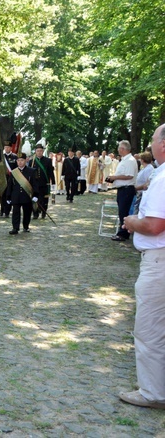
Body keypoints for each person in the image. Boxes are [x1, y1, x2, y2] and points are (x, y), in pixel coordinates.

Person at [118, 124, 165, 410]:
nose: (149, 144)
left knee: (149, 329)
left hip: (159, 260)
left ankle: (153, 392)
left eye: (153, 140)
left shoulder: (163, 178)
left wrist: (132, 222)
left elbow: (154, 224)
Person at [108, 140, 138, 242]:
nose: (118, 149)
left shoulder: (129, 160)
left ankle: (123, 233)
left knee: (124, 212)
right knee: (122, 211)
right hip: (123, 189)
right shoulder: (125, 160)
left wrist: (115, 177)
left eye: (119, 147)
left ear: (123, 149)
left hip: (126, 189)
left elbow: (129, 175)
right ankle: (123, 231)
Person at [7, 153, 39, 234]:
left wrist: (35, 195)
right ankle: (15, 228)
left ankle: (26, 226)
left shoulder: (31, 171)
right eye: (18, 160)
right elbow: (10, 185)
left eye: (22, 160)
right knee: (15, 213)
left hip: (27, 195)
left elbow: (35, 184)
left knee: (27, 212)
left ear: (25, 160)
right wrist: (8, 196)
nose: (20, 162)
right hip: (16, 196)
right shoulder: (14, 172)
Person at [28, 144, 54, 219]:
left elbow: (50, 172)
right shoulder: (31, 161)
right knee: (35, 199)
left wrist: (53, 182)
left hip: (45, 183)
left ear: (43, 151)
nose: (39, 152)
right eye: (37, 151)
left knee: (44, 199)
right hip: (35, 184)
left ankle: (44, 212)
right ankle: (35, 213)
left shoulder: (48, 161)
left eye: (40, 151)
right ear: (35, 152)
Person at [0, 141, 18, 218]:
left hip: (11, 179)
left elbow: (16, 168)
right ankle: (2, 209)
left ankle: (7, 211)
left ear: (11, 148)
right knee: (2, 195)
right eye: (5, 147)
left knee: (9, 194)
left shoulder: (15, 157)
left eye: (8, 147)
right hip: (2, 178)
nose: (7, 149)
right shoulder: (1, 156)